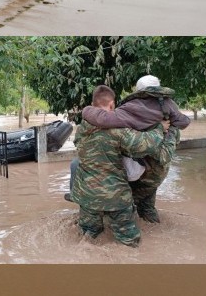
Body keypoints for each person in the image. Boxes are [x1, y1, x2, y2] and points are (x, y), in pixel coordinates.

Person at [70, 85, 180, 247]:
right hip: (115, 197)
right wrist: (158, 128)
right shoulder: (117, 131)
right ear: (112, 104)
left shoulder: (81, 129)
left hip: (86, 195)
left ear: (93, 104)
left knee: (88, 237)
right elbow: (147, 145)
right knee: (129, 242)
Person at [81, 75, 190, 223]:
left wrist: (87, 110)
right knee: (147, 205)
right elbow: (183, 123)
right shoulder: (170, 110)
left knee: (124, 203)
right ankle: (150, 224)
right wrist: (163, 128)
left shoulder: (131, 109)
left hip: (144, 171)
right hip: (157, 171)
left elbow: (105, 120)